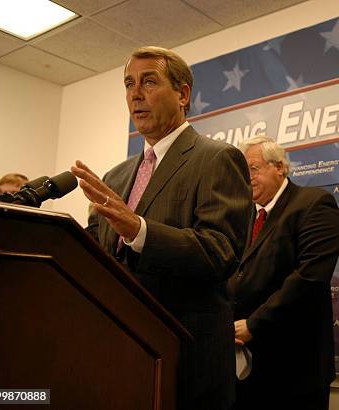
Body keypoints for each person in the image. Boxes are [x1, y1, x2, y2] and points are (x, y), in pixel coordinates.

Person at [71, 46, 253, 409]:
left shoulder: (217, 158)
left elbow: (220, 252)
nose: (135, 94)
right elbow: (96, 259)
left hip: (187, 361)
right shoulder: (116, 176)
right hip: (122, 352)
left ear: (183, 94)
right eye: (129, 84)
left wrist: (139, 229)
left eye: (149, 82)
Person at [227, 136, 339, 410]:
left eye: (253, 168)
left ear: (279, 167)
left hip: (295, 369)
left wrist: (254, 324)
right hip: (241, 369)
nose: (247, 177)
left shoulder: (314, 204)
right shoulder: (244, 217)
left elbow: (309, 279)